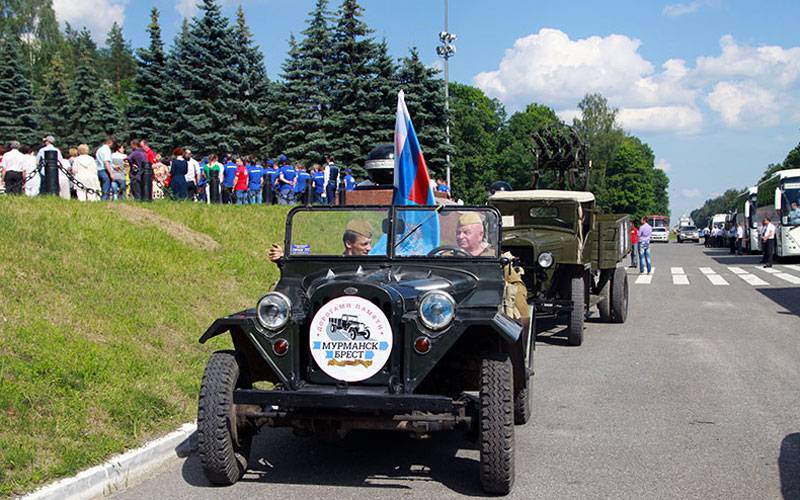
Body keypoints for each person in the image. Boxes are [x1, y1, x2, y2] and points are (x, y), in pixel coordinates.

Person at [268, 219, 374, 261]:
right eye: (364, 244)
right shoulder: (333, 262)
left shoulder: (373, 266)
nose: (369, 248)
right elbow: (307, 261)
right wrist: (283, 255)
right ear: (349, 244)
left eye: (370, 243)